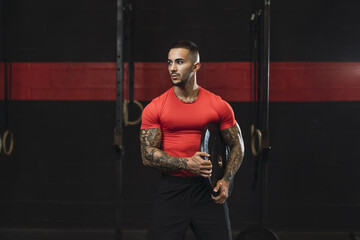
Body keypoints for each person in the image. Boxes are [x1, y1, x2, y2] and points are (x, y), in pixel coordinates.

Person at [140, 40, 244, 240]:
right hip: (172, 190)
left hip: (207, 190)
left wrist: (225, 181)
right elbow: (147, 154)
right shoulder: (155, 107)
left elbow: (237, 144)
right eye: (169, 63)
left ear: (196, 66)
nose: (173, 68)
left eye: (179, 62)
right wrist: (187, 163)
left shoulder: (218, 105)